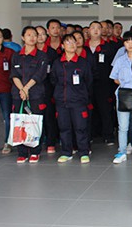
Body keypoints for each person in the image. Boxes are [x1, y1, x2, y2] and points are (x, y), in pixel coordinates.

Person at [50, 34, 94, 164]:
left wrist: (82, 95)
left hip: (78, 101)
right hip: (62, 101)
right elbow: (53, 80)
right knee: (64, 128)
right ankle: (66, 152)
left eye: (74, 42)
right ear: (62, 46)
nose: (72, 45)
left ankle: (83, 152)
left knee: (81, 127)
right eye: (68, 42)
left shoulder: (83, 63)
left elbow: (89, 81)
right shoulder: (57, 63)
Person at [10, 26, 48, 163]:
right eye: (29, 35)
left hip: (36, 94)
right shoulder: (16, 56)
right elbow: (14, 74)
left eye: (34, 35)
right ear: (23, 37)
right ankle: (22, 151)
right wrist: (22, 90)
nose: (32, 37)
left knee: (35, 122)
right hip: (18, 94)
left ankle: (35, 151)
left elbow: (39, 75)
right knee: (20, 122)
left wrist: (26, 89)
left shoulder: (42, 56)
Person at [110, 31, 132, 164]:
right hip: (124, 95)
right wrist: (126, 83)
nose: (130, 44)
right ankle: (122, 151)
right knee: (123, 126)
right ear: (123, 43)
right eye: (127, 41)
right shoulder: (120, 60)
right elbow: (114, 78)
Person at [86, 21, 118, 145]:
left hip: (104, 83)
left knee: (105, 109)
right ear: (88, 31)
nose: (95, 30)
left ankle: (108, 135)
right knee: (88, 110)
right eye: (92, 28)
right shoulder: (83, 47)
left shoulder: (108, 47)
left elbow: (113, 67)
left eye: (98, 28)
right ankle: (90, 134)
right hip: (86, 84)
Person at [35, 25, 60, 154]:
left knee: (49, 116)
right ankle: (36, 141)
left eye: (43, 34)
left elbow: (55, 72)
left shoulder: (51, 53)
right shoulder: (29, 52)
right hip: (33, 89)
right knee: (35, 117)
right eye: (37, 34)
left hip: (48, 88)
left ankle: (51, 142)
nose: (40, 37)